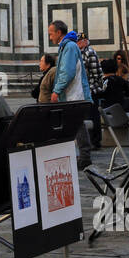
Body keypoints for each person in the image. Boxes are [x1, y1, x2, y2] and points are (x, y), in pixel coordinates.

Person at [47, 21, 92, 164]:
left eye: (51, 33)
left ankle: (85, 157)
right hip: (72, 94)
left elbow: (67, 72)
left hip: (74, 94)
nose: (50, 37)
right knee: (76, 124)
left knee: (78, 125)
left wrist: (56, 91)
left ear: (59, 33)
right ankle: (80, 156)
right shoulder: (68, 46)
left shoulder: (70, 47)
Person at [77, 34, 105, 149]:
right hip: (83, 90)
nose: (77, 44)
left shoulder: (90, 53)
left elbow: (97, 73)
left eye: (79, 41)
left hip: (91, 90)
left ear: (84, 41)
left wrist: (94, 86)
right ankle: (89, 141)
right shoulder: (79, 53)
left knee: (94, 116)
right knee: (87, 116)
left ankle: (96, 141)